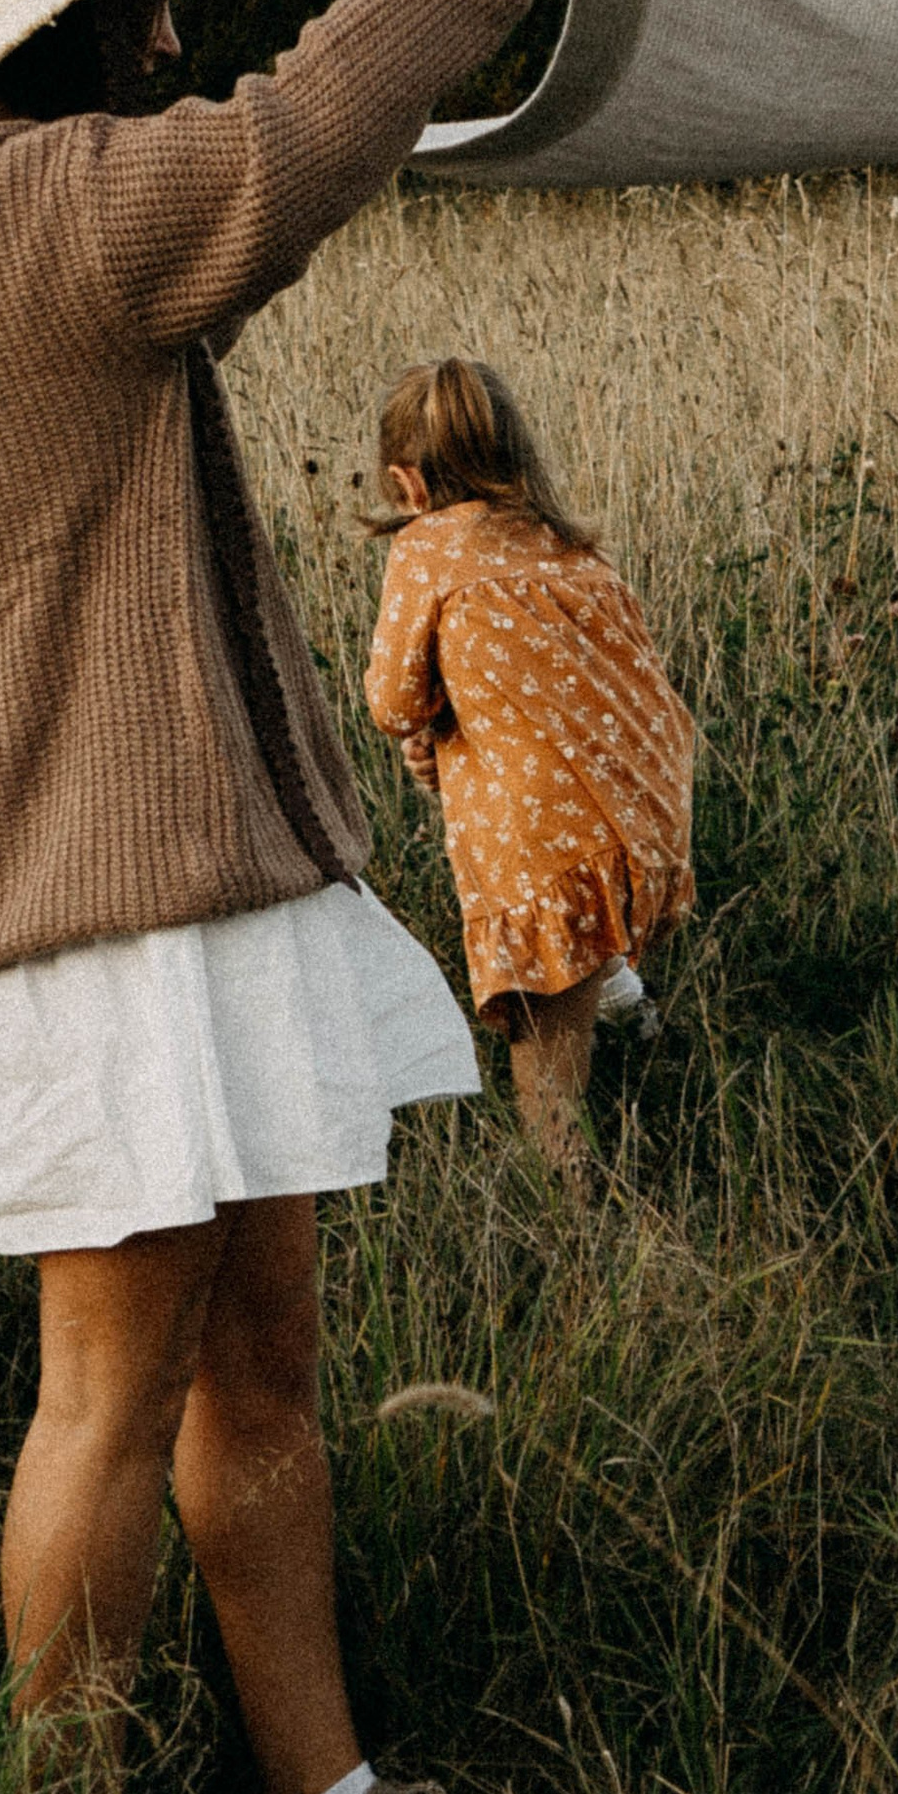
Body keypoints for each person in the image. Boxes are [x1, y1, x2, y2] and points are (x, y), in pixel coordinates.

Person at [0, 0, 621, 1794]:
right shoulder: (8, 223)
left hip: (198, 888)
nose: (169, 27)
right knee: (106, 1396)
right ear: (46, 26)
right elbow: (312, 132)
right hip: (102, 921)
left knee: (256, 1368)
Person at [362, 358, 695, 1183]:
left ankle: (568, 1208)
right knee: (575, 898)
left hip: (541, 839)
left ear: (406, 482)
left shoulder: (427, 548)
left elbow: (393, 702)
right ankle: (631, 1009)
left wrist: (428, 724)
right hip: (644, 816)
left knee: (545, 1058)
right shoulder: (574, 548)